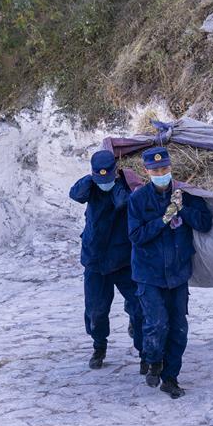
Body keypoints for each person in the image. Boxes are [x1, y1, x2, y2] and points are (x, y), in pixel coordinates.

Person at [128, 146, 213, 399]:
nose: (161, 173)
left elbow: (205, 223)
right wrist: (164, 219)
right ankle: (153, 360)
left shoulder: (185, 194)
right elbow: (136, 235)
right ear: (146, 172)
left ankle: (171, 378)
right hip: (149, 273)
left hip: (177, 274)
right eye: (155, 170)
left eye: (164, 168)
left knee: (178, 329)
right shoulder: (138, 199)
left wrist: (182, 209)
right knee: (156, 324)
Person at [69, 150, 143, 370]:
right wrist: (92, 179)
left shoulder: (125, 186)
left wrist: (118, 188)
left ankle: (145, 353)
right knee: (95, 311)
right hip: (95, 260)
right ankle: (99, 345)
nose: (104, 183)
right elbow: (75, 194)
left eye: (107, 178)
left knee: (139, 306)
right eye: (100, 178)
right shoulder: (91, 186)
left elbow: (130, 203)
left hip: (124, 261)